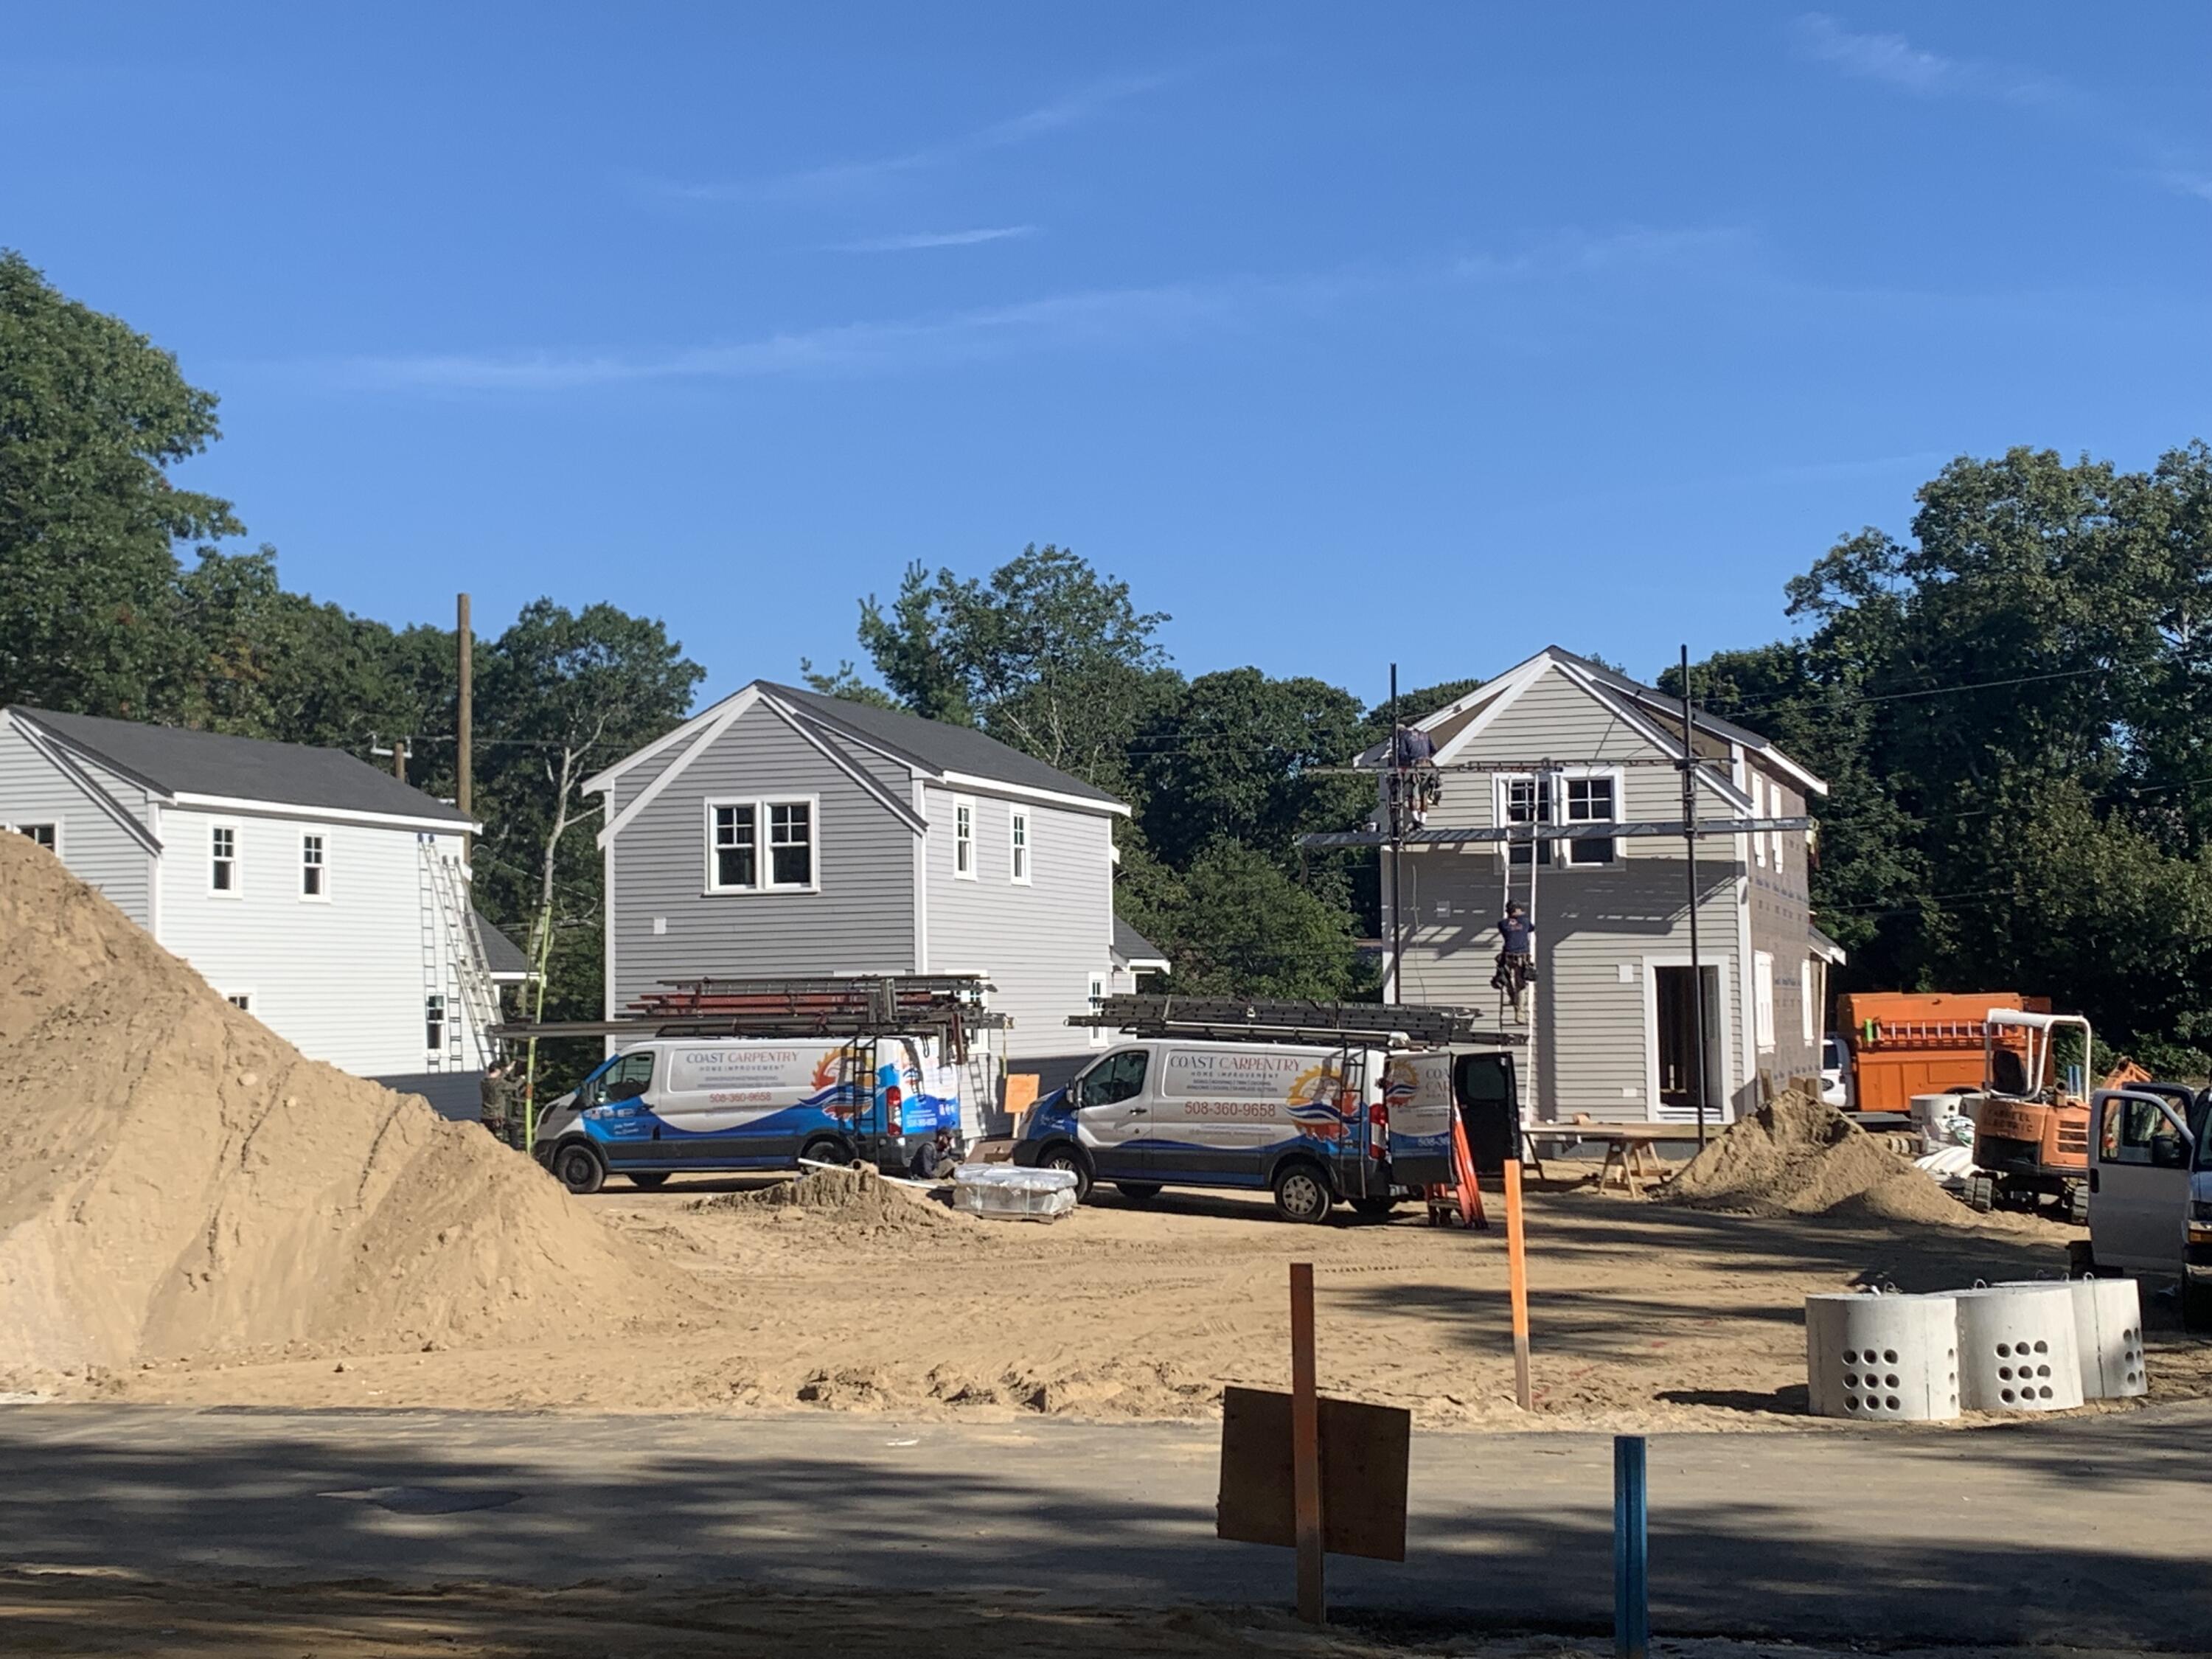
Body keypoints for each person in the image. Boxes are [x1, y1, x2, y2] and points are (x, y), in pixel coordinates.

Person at [479, 1060, 517, 1145]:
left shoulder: (483, 1082)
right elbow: (514, 1087)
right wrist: (522, 1079)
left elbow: (497, 1079)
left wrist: (508, 1069)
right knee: (513, 1127)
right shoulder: (500, 1083)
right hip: (497, 1117)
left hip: (485, 1116)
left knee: (491, 1138)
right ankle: (515, 1148)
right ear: (497, 1070)